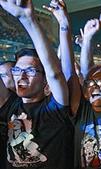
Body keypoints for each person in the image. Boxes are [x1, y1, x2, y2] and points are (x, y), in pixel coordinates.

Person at [44, 0, 101, 168]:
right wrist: (64, 25)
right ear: (84, 91)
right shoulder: (80, 111)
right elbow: (70, 73)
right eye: (90, 83)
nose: (95, 87)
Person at [0, 0, 74, 168]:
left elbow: (55, 73)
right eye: (17, 70)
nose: (22, 76)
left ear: (45, 82)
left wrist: (28, 19)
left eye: (31, 71)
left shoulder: (55, 108)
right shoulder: (10, 106)